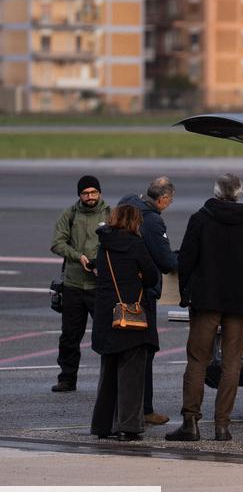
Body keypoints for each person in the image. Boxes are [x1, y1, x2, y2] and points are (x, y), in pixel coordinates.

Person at [166, 173, 243, 443]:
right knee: (232, 363)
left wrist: (187, 294)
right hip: (240, 302)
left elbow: (186, 260)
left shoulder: (200, 219)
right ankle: (222, 425)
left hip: (206, 301)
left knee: (197, 360)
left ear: (216, 191)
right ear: (239, 192)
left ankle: (190, 421)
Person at [90, 204, 159, 442]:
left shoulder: (104, 246)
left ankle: (103, 425)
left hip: (107, 315)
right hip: (131, 314)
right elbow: (151, 276)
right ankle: (128, 426)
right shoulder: (136, 244)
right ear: (134, 221)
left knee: (108, 373)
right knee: (132, 374)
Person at [119, 177, 177, 427]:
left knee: (122, 354)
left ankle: (123, 408)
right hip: (143, 295)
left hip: (120, 293)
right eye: (169, 201)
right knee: (146, 351)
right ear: (162, 199)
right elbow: (166, 262)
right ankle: (145, 409)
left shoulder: (127, 205)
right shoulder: (152, 221)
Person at [50, 175, 110, 392]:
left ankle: (110, 380)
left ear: (100, 193)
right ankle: (67, 378)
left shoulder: (110, 214)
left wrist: (100, 262)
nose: (90, 196)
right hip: (73, 285)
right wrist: (78, 257)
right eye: (85, 193)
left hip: (99, 286)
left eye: (94, 192)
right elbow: (57, 243)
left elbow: (121, 242)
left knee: (106, 335)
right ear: (79, 195)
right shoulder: (70, 214)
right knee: (69, 336)